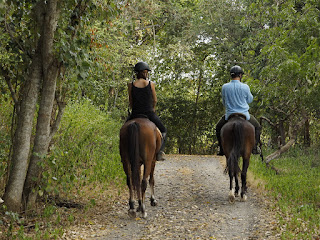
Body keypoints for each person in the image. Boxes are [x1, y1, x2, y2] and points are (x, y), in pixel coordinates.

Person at [215, 65, 261, 156]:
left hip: (229, 115)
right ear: (240, 75)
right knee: (257, 127)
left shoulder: (225, 87)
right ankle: (254, 148)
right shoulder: (245, 87)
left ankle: (221, 149)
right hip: (244, 115)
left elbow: (224, 102)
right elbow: (250, 100)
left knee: (218, 127)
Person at [127, 61, 167, 161]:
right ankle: (159, 153)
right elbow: (155, 100)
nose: (146, 74)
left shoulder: (131, 85)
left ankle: (126, 153)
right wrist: (152, 109)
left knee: (124, 131)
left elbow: (131, 101)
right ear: (141, 73)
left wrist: (133, 109)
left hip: (135, 113)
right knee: (163, 130)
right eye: (145, 72)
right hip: (149, 113)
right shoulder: (151, 84)